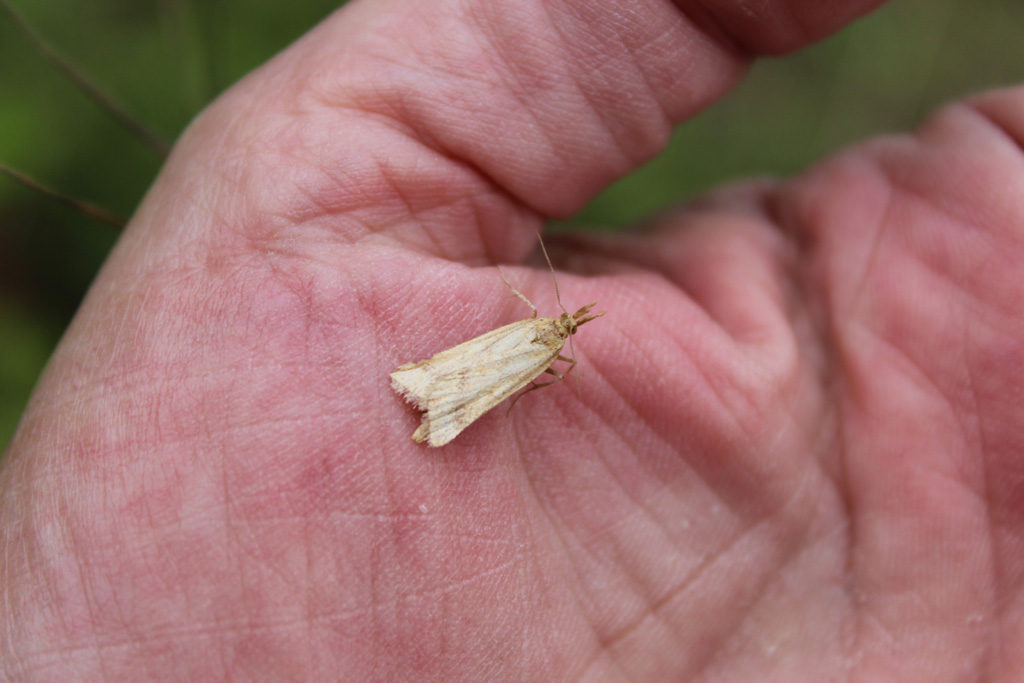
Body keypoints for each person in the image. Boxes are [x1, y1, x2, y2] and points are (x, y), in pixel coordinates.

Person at [3, 0, 1021, 679]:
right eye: (569, 319)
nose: (570, 322)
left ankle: (439, 395)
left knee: (472, 378)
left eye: (569, 320)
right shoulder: (540, 341)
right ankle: (439, 393)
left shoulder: (540, 343)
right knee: (471, 374)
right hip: (472, 379)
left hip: (476, 383)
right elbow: (531, 356)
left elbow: (533, 358)